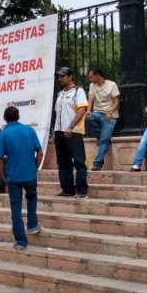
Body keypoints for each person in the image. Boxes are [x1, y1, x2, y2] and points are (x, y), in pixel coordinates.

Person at [0, 106, 44, 250]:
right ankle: (32, 224)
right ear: (19, 117)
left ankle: (21, 242)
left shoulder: (2, 135)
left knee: (16, 208)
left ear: (4, 118)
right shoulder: (29, 130)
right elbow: (40, 152)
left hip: (13, 177)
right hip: (30, 174)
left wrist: (4, 176)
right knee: (32, 197)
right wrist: (36, 168)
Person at [53, 67, 89, 199]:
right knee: (63, 162)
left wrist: (70, 126)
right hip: (59, 131)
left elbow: (82, 110)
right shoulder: (60, 94)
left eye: (62, 76)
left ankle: (82, 190)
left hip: (73, 131)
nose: (60, 79)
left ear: (70, 76)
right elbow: (57, 114)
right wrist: (55, 132)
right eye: (59, 76)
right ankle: (67, 189)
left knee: (79, 161)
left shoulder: (78, 91)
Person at [86, 68, 121, 171]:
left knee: (105, 140)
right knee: (88, 118)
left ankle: (98, 163)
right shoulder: (92, 85)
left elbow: (116, 101)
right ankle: (100, 135)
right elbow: (91, 99)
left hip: (109, 115)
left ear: (98, 75)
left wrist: (110, 112)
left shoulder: (112, 85)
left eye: (91, 77)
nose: (90, 79)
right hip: (97, 113)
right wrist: (88, 110)